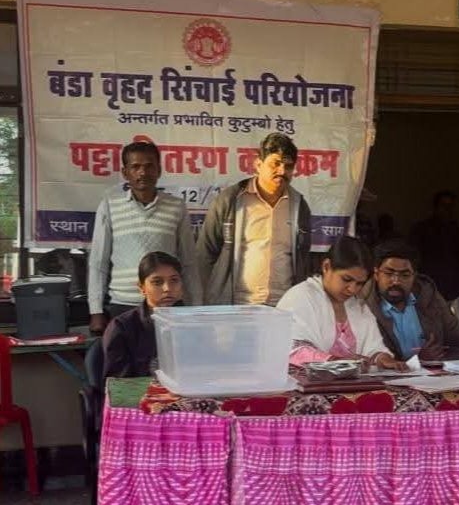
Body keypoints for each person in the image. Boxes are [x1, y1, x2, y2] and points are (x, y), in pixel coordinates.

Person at [87, 141, 199, 335]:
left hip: (167, 305)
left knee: (169, 354)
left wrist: (196, 306)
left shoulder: (176, 207)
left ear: (159, 170)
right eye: (135, 167)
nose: (143, 172)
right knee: (126, 355)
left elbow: (188, 262)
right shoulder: (110, 206)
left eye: (149, 166)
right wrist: (96, 311)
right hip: (124, 305)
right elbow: (98, 262)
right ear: (125, 173)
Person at [196, 132, 311, 306]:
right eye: (275, 164)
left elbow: (303, 257)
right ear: (258, 164)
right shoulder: (231, 201)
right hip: (237, 305)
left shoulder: (299, 206)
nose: (282, 171)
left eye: (288, 166)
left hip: (284, 305)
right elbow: (205, 254)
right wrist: (205, 302)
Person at [276, 236, 407, 370]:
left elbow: (373, 348)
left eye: (359, 283)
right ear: (326, 267)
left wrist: (383, 359)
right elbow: (291, 349)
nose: (352, 289)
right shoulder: (300, 296)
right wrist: (336, 362)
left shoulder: (357, 305)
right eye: (346, 279)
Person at [363, 239, 459, 361]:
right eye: (389, 273)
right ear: (376, 274)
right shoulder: (362, 304)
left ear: (414, 276)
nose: (396, 281)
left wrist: (441, 361)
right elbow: (364, 359)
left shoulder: (429, 296)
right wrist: (417, 361)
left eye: (405, 275)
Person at [103, 251, 184, 378]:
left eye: (174, 280)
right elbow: (118, 384)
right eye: (157, 282)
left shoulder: (195, 323)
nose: (167, 288)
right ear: (142, 288)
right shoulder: (122, 327)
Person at [409, 190, 459, 300]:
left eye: (450, 206)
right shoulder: (421, 229)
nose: (447, 210)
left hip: (452, 285)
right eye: (444, 205)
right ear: (436, 207)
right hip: (429, 283)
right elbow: (414, 258)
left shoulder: (456, 231)